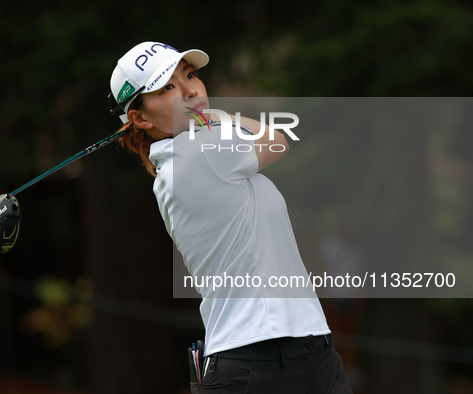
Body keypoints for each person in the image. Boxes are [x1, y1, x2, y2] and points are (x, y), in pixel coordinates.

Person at [108, 41, 352, 393]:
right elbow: (277, 140)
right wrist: (217, 115)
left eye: (189, 75)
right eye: (168, 88)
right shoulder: (198, 153)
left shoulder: (191, 154)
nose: (191, 90)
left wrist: (207, 117)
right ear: (141, 118)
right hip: (258, 362)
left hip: (310, 348)